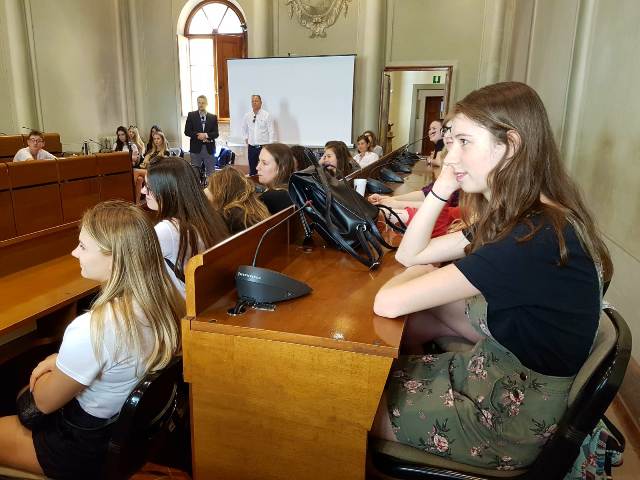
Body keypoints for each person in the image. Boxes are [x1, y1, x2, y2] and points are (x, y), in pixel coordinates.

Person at [370, 82, 612, 471]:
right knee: (384, 360)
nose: (451, 157)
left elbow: (388, 301)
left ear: (510, 145)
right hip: (494, 379)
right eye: (451, 142)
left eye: (464, 142)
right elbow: (409, 255)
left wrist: (423, 271)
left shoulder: (530, 238)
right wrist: (442, 189)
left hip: (502, 421)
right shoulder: (524, 216)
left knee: (346, 403)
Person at [0, 200, 184, 478]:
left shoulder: (94, 328)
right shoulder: (166, 304)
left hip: (82, 451)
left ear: (114, 258)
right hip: (129, 441)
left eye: (83, 246)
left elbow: (42, 404)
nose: (74, 252)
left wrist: (49, 368)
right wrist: (60, 361)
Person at [142, 157, 229, 298]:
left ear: (169, 191)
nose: (143, 191)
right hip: (207, 298)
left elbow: (134, 267)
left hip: (183, 304)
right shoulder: (206, 217)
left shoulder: (168, 229)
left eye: (149, 187)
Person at [206, 167, 270, 234]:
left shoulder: (230, 215)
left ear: (222, 192)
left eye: (211, 187)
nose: (208, 189)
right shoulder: (252, 206)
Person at [184, 95, 219, 179]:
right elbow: (187, 131)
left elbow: (216, 134)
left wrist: (206, 135)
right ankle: (196, 188)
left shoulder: (213, 117)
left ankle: (210, 188)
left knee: (211, 174)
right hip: (195, 149)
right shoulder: (191, 115)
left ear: (206, 104)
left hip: (209, 149)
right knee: (195, 174)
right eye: (199, 102)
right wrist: (198, 135)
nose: (201, 105)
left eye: (203, 103)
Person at [241, 95, 275, 176]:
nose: (254, 103)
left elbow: (271, 131)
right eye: (252, 101)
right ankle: (253, 183)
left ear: (261, 103)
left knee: (264, 169)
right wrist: (246, 138)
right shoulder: (247, 115)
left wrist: (270, 146)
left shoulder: (266, 115)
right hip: (251, 147)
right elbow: (243, 128)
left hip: (263, 147)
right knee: (252, 170)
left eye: (256, 101)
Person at [256, 143, 294, 214]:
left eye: (264, 163)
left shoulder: (269, 198)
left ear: (282, 168)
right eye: (259, 161)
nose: (257, 167)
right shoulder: (293, 189)